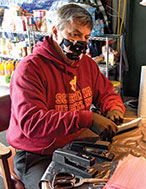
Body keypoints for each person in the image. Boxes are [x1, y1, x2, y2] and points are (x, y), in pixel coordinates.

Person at [6, 3, 125, 188]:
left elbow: (106, 92)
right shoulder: (30, 69)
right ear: (55, 32)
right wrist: (87, 118)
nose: (81, 43)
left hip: (74, 142)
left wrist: (114, 108)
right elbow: (32, 123)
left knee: (116, 173)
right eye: (74, 34)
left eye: (86, 37)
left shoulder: (87, 64)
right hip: (37, 152)